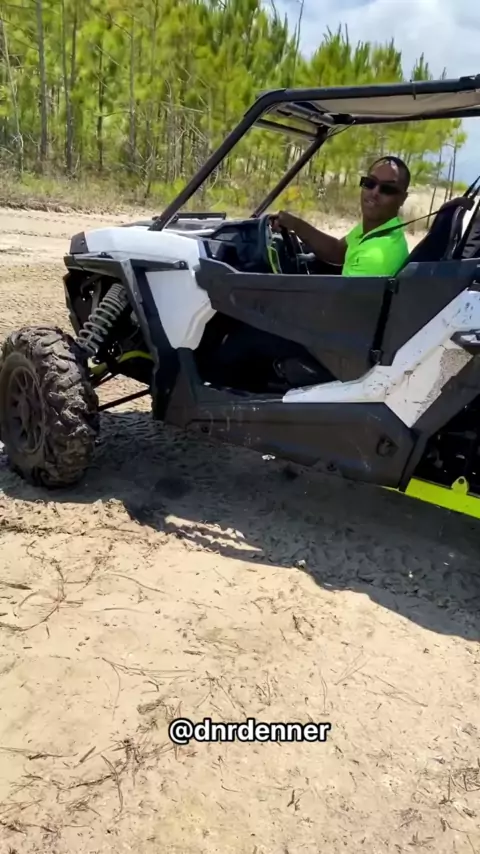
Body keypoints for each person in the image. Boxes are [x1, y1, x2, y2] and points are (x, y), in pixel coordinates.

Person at [273, 155, 411, 277]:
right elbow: (337, 251)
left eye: (387, 189)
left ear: (402, 199)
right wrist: (295, 224)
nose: (374, 193)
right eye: (370, 183)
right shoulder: (376, 230)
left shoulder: (377, 255)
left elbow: (341, 299)